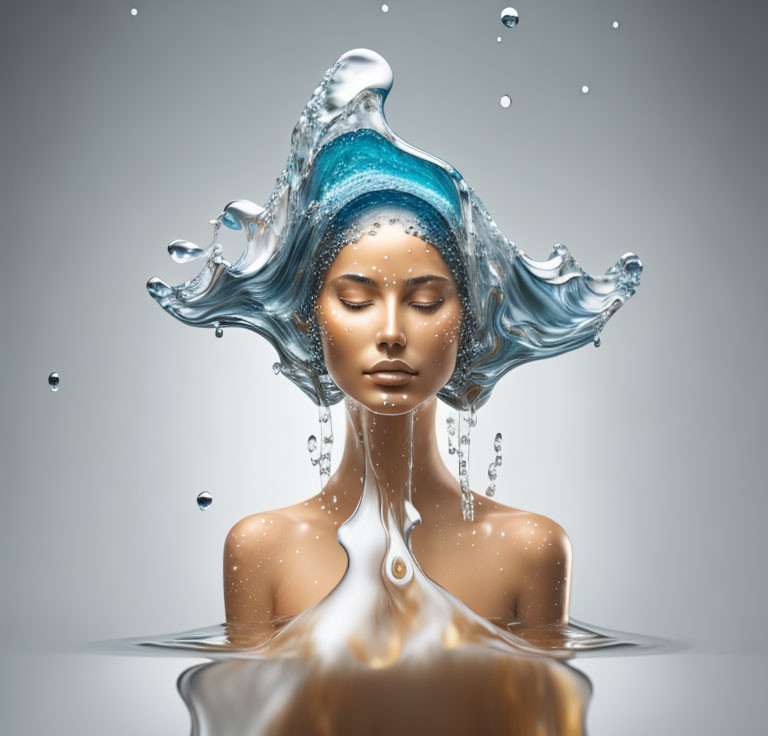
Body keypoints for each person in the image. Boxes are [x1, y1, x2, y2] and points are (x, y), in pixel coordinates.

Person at [147, 49, 641, 649]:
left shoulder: (531, 551)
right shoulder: (261, 551)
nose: (391, 331)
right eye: (356, 299)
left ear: (468, 318)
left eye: (427, 301)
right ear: (312, 318)